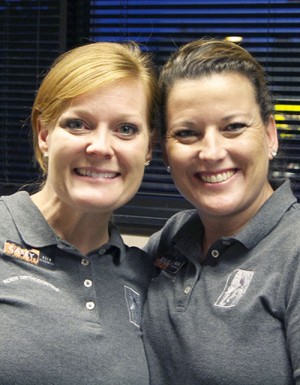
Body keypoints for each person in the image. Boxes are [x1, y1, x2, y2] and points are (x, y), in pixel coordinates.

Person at [142, 38, 300, 385]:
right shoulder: (171, 240)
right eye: (187, 133)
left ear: (270, 135)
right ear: (164, 153)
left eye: (233, 127)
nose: (211, 152)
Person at [0, 41, 158, 385]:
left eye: (126, 129)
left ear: (149, 148)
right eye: (77, 124)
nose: (100, 146)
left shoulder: (147, 278)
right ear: (44, 134)